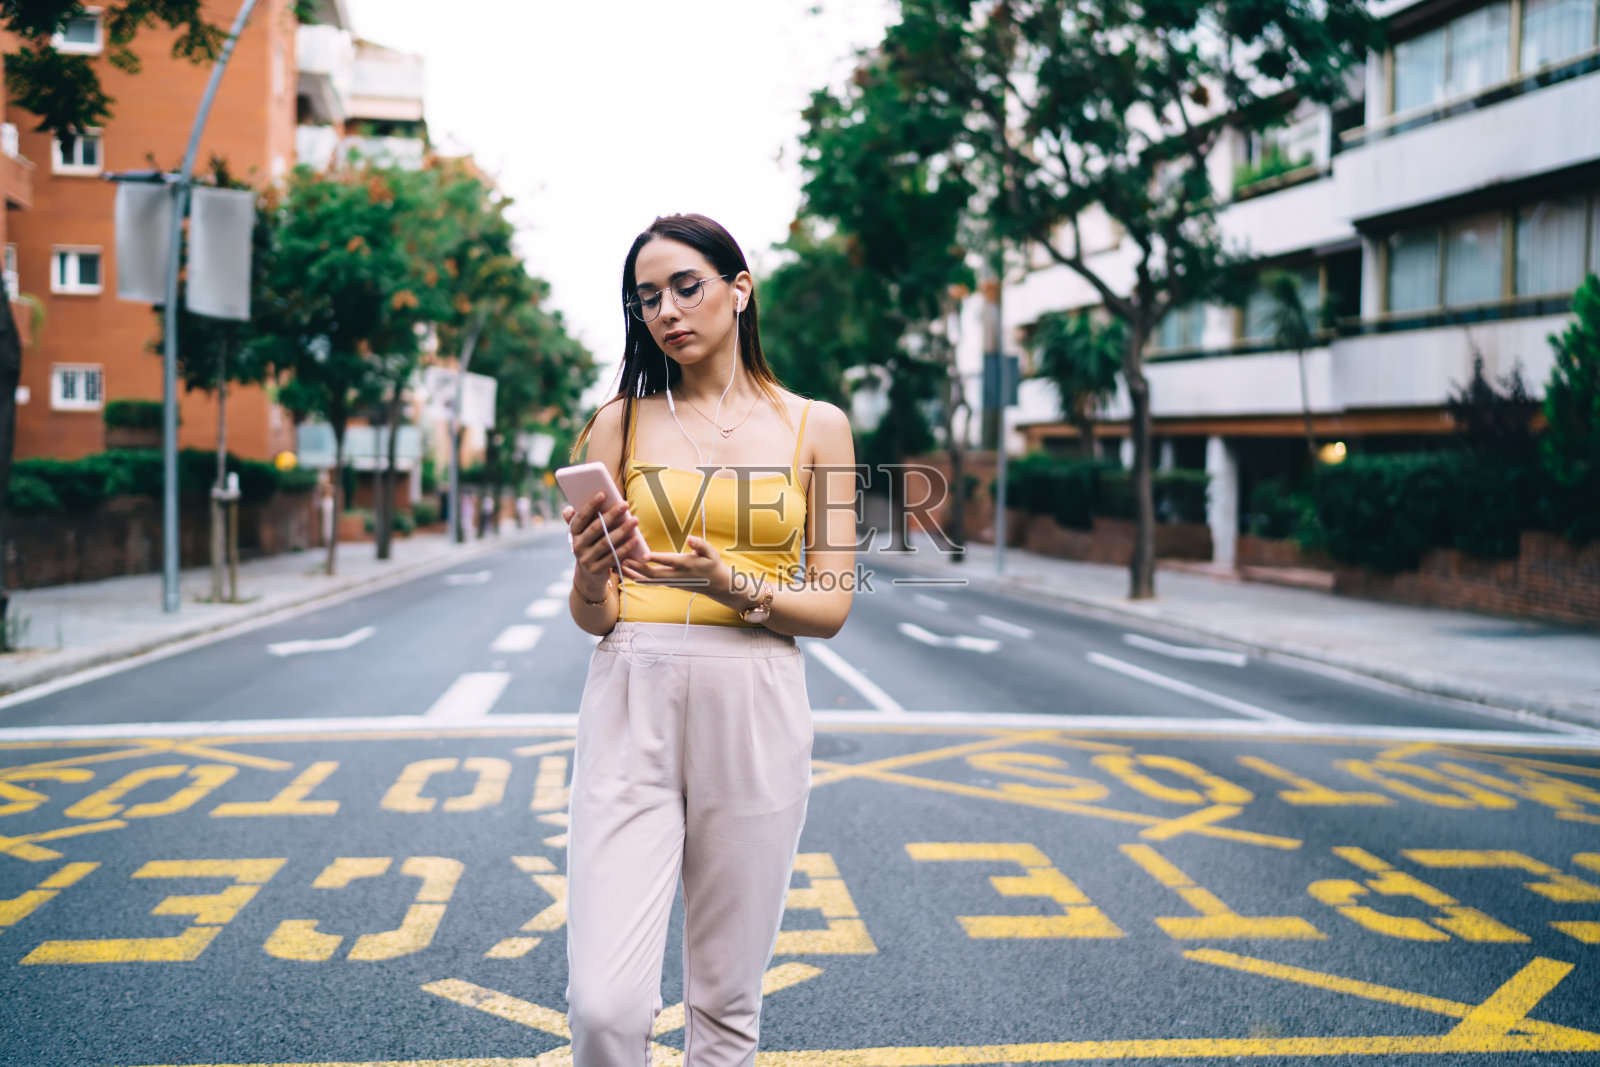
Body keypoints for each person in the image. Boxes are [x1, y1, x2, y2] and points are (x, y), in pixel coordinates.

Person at [561, 213, 856, 1065]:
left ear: (739, 287)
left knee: (726, 1005)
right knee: (606, 1010)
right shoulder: (618, 421)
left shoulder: (817, 426)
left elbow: (831, 605)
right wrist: (588, 574)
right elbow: (596, 610)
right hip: (629, 695)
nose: (666, 312)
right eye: (647, 298)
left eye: (685, 287)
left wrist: (736, 585)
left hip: (756, 696)